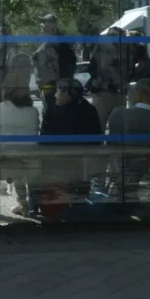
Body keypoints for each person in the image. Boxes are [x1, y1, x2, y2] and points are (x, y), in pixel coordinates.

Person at [0, 54, 39, 219]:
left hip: (3, 158)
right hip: (26, 159)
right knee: (18, 166)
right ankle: (23, 203)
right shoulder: (34, 111)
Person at [39, 78, 102, 218]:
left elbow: (44, 139)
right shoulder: (89, 109)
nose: (55, 96)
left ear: (67, 95)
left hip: (58, 165)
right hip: (81, 164)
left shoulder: (54, 112)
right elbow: (96, 138)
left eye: (58, 93)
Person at [105, 78, 150, 206]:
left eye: (134, 91)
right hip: (143, 166)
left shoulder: (119, 113)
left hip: (120, 164)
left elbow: (111, 142)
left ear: (141, 94)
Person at [87, 27, 134, 131]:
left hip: (106, 92)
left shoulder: (106, 49)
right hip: (114, 92)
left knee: (100, 127)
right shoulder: (126, 51)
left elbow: (103, 66)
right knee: (115, 128)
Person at [33, 14, 78, 109]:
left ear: (53, 27)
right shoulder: (51, 44)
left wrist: (49, 89)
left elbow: (67, 66)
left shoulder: (57, 46)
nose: (42, 25)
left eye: (45, 23)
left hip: (54, 90)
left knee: (54, 115)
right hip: (52, 88)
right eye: (42, 22)